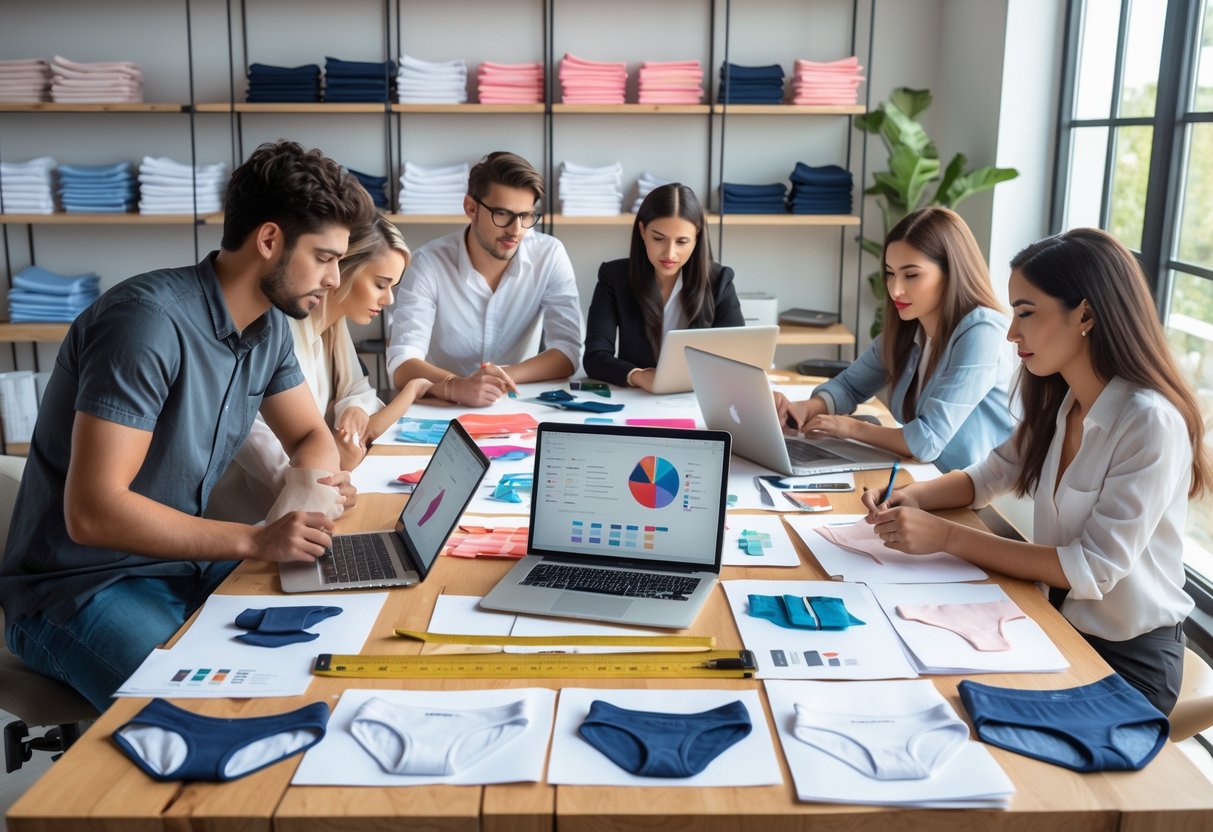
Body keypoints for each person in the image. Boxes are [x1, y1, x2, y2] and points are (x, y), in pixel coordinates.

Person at [0, 140, 377, 711]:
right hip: (81, 590)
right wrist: (255, 537)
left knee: (337, 651)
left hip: (185, 564)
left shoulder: (268, 327)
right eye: (325, 258)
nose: (333, 279)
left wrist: (311, 494)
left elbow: (309, 437)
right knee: (205, 715)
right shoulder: (145, 323)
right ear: (269, 240)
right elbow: (93, 510)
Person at [863, 228, 1210, 714]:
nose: (1011, 332)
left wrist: (944, 537)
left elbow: (1091, 569)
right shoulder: (1063, 399)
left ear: (1085, 314)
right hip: (1056, 626)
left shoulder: (1149, 421)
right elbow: (987, 476)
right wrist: (913, 497)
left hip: (1128, 663)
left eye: (1025, 312)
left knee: (954, 713)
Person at [207, 216, 433, 524]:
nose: (388, 298)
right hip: (254, 521)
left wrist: (353, 410)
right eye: (381, 284)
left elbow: (358, 390)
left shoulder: (330, 327)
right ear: (343, 270)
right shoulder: (279, 331)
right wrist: (330, 478)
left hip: (306, 504)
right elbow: (257, 438)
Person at [775, 207, 1014, 472]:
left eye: (911, 275)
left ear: (951, 272)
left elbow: (927, 441)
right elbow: (851, 386)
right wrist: (808, 408)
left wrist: (850, 427)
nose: (895, 289)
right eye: (890, 273)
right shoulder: (909, 328)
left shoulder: (983, 333)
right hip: (922, 477)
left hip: (969, 496)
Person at [387, 151, 582, 407]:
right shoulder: (429, 263)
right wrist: (457, 386)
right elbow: (402, 363)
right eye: (502, 214)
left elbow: (567, 353)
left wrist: (496, 379)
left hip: (517, 402)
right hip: (442, 404)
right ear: (471, 207)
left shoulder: (550, 254)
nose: (516, 230)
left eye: (526, 216)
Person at [583, 182, 744, 389]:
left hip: (696, 400)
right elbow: (595, 357)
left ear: (697, 237)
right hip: (636, 399)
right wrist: (638, 376)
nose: (669, 253)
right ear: (642, 231)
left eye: (682, 242)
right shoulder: (614, 277)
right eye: (658, 238)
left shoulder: (720, 280)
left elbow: (737, 359)